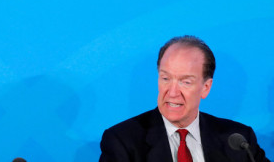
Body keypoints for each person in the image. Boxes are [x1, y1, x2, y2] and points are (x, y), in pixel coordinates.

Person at [99, 35, 270, 161]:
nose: (172, 92)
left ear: (205, 88)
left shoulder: (238, 140)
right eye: (165, 78)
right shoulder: (122, 141)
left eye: (185, 82)